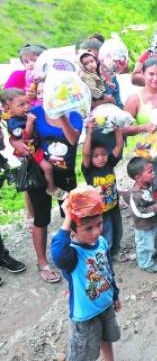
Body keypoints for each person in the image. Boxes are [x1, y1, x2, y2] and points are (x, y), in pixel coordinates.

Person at [51, 187, 121, 361]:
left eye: (99, 224)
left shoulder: (102, 242)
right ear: (72, 232)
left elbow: (108, 270)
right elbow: (57, 254)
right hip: (85, 315)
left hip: (105, 304)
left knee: (107, 336)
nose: (96, 232)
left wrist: (115, 294)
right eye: (88, 228)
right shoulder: (72, 255)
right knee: (84, 353)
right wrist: (68, 217)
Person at [21, 87, 83, 283]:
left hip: (65, 174)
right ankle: (43, 263)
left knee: (71, 214)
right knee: (41, 219)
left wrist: (61, 114)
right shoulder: (36, 112)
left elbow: (73, 139)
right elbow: (20, 136)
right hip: (39, 174)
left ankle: (74, 254)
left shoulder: (74, 115)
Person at [3, 88, 67, 200]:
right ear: (8, 109)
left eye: (28, 103)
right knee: (47, 168)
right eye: (21, 105)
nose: (27, 106)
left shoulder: (24, 115)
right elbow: (24, 138)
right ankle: (51, 188)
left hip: (39, 147)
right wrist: (29, 123)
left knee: (56, 164)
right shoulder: (14, 122)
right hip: (31, 151)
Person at [123, 58, 157, 182]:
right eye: (151, 74)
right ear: (143, 75)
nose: (155, 78)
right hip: (147, 155)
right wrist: (143, 127)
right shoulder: (134, 99)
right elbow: (122, 130)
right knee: (154, 186)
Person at [82, 120, 124, 255]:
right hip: (100, 211)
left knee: (118, 230)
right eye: (96, 156)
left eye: (104, 154)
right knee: (107, 233)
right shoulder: (89, 170)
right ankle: (105, 256)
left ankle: (115, 252)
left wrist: (117, 129)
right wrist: (89, 132)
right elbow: (86, 154)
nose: (101, 158)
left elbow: (118, 146)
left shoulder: (109, 163)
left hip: (114, 206)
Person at [125, 157, 157, 274]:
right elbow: (138, 213)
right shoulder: (135, 195)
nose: (153, 174)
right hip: (143, 226)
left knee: (153, 238)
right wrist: (155, 208)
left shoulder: (149, 185)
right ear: (138, 177)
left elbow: (155, 194)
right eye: (150, 172)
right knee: (144, 244)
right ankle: (145, 263)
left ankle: (155, 251)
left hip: (153, 221)